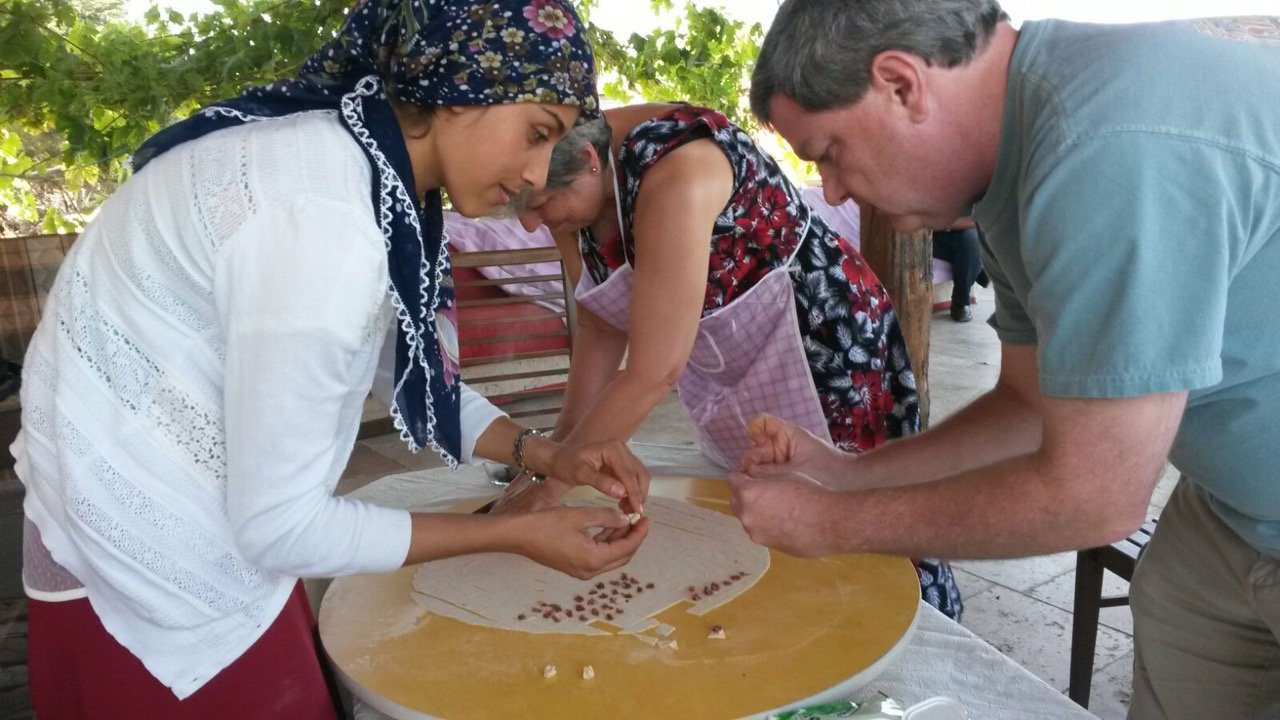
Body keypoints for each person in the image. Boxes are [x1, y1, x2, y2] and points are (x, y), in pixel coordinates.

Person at [12, 1, 651, 716]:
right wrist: (511, 533)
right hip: (147, 577)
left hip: (148, 531)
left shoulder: (356, 171)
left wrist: (546, 455)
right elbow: (282, 526)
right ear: (453, 86)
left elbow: (402, 370)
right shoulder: (323, 215)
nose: (537, 174)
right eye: (536, 133)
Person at [741, 1, 1279, 715]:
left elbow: (1094, 495)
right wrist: (843, 477)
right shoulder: (1009, 162)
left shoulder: (1104, 150)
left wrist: (831, 526)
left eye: (830, 153)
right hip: (1230, 515)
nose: (831, 191)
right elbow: (1027, 408)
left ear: (902, 85)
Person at [509, 102, 964, 619]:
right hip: (732, 351)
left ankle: (923, 634)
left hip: (825, 340)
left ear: (591, 160)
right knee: (768, 510)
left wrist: (547, 497)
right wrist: (551, 461)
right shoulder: (554, 165)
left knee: (862, 508)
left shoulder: (675, 170)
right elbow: (599, 322)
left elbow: (654, 371)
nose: (529, 224)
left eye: (540, 204)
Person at [931, 217, 986, 322]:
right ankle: (980, 271)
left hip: (962, 231)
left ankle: (960, 301)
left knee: (972, 242)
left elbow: (980, 219)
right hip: (928, 234)